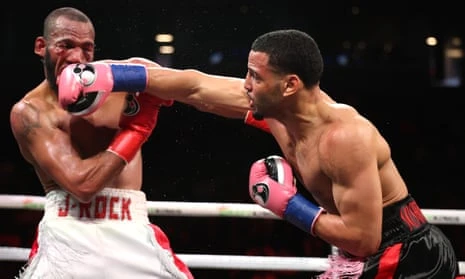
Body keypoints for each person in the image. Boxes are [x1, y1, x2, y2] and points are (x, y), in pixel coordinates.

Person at [57, 29, 462, 278]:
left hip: (405, 258)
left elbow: (363, 238)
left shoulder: (344, 138)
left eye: (255, 76)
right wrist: (112, 74)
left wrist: (290, 206)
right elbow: (196, 87)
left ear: (289, 85)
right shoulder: (280, 112)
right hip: (369, 252)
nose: (245, 84)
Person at [9, 7, 194, 279]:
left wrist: (260, 110)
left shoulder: (127, 78)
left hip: (130, 228)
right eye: (65, 46)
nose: (76, 57)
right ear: (41, 46)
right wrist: (139, 127)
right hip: (67, 234)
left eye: (87, 48)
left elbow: (197, 88)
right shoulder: (31, 112)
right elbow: (83, 186)